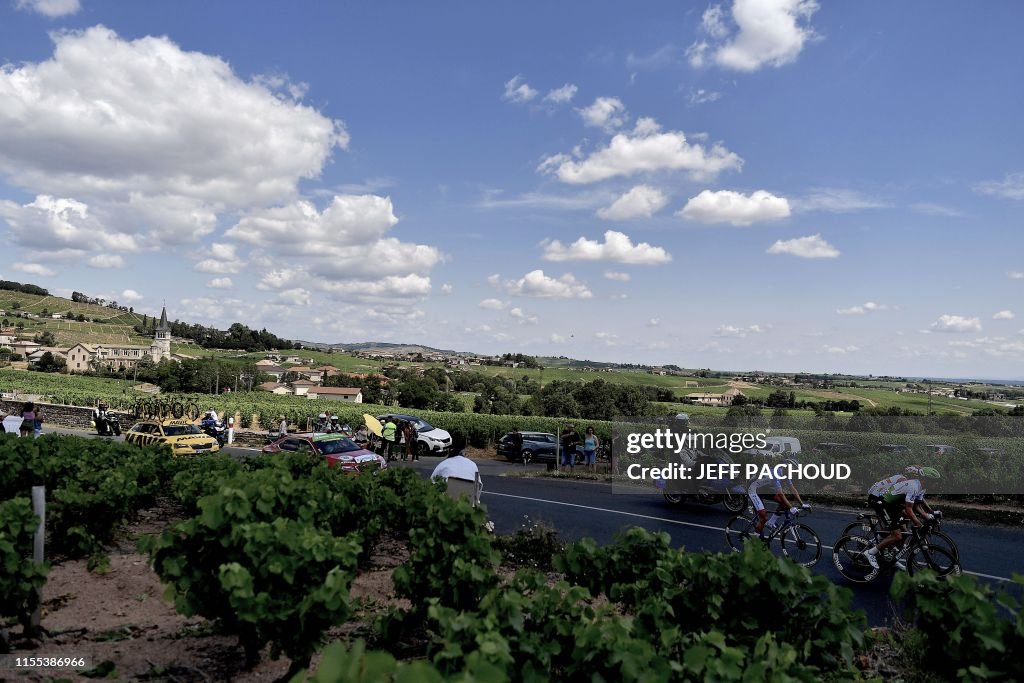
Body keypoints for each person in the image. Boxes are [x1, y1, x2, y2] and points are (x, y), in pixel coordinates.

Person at [863, 466, 941, 570]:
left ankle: (892, 557)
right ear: (925, 479)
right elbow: (909, 509)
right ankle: (871, 552)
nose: (936, 484)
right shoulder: (910, 484)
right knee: (897, 534)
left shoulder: (920, 486)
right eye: (933, 481)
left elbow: (918, 505)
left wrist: (930, 516)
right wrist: (919, 524)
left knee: (904, 532)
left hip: (891, 502)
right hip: (879, 500)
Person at [747, 458, 810, 536]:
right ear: (787, 467)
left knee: (784, 504)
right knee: (763, 517)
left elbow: (792, 489)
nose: (794, 472)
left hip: (764, 488)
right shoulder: (776, 473)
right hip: (753, 489)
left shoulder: (786, 474)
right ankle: (755, 539)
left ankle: (771, 523)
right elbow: (780, 493)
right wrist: (791, 507)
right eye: (793, 470)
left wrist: (802, 504)